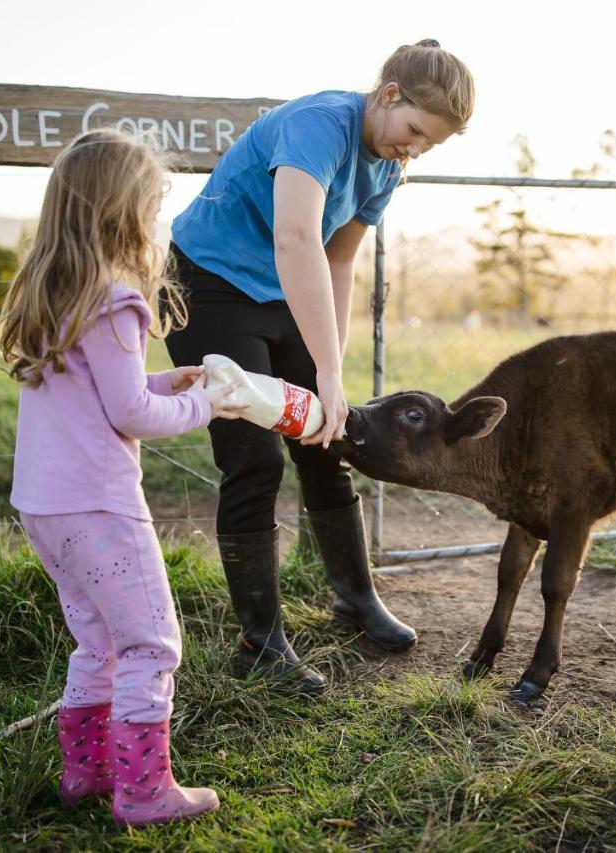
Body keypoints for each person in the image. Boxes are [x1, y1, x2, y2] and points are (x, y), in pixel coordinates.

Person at [164, 40, 475, 694]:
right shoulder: (319, 125)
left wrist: (330, 370)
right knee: (254, 458)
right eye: (414, 131)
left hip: (284, 290)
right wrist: (328, 374)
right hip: (211, 286)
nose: (414, 149)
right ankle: (260, 643)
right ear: (389, 94)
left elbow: (336, 261)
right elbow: (296, 237)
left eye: (430, 146)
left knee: (329, 437)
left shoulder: (389, 168)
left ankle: (354, 599)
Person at [0, 128, 244, 827]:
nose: (157, 218)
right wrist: (206, 402)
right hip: (100, 508)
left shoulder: (58, 293)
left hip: (45, 508)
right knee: (151, 642)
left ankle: (87, 772)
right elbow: (131, 411)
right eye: (153, 203)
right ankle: (143, 790)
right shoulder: (117, 300)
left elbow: (103, 387)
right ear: (123, 212)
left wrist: (172, 376)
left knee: (99, 642)